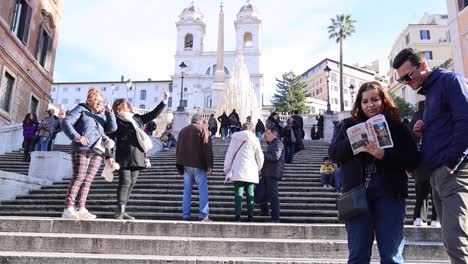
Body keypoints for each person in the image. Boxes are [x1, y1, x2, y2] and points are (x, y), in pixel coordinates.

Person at [328, 81, 419, 264]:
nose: (370, 105)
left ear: (383, 101)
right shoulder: (347, 125)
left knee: (391, 256)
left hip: (390, 191)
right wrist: (356, 140)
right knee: (358, 255)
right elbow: (334, 154)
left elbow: (413, 159)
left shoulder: (397, 126)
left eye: (375, 99)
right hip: (356, 192)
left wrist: (383, 155)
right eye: (365, 101)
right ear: (359, 104)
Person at [393, 48, 468, 263]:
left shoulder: (450, 80)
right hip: (437, 176)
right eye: (402, 80)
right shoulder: (430, 93)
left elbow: (466, 121)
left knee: (456, 241)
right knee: (450, 240)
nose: (407, 82)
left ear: (423, 65)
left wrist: (451, 164)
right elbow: (447, 126)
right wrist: (423, 128)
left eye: (408, 76)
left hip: (455, 172)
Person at [110, 91, 168, 220]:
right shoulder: (116, 119)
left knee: (132, 183)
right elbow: (110, 136)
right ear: (118, 107)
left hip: (138, 153)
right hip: (123, 153)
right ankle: (119, 210)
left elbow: (153, 114)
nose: (128, 105)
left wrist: (164, 100)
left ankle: (123, 209)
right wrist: (109, 155)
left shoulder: (136, 118)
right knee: (125, 181)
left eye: (128, 103)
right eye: (125, 103)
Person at [61, 88, 117, 219]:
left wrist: (110, 113)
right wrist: (76, 136)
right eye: (96, 100)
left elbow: (112, 129)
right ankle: (68, 207)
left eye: (101, 101)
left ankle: (81, 208)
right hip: (81, 148)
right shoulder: (81, 109)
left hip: (97, 151)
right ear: (89, 100)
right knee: (79, 177)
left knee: (87, 181)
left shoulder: (102, 115)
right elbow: (66, 122)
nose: (99, 103)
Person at [176, 114, 214, 221]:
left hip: (186, 165)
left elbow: (178, 149)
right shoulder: (203, 129)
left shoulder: (183, 131)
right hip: (199, 164)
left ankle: (185, 215)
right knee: (202, 189)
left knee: (187, 190)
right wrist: (210, 164)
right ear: (199, 121)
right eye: (202, 121)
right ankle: (203, 215)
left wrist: (179, 166)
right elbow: (207, 148)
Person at [224, 122, 264, 222]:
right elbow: (260, 157)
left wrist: (226, 169)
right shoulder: (255, 139)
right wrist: (259, 169)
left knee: (238, 193)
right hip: (251, 169)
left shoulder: (235, 138)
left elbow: (229, 154)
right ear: (252, 129)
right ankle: (250, 217)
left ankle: (238, 216)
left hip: (237, 169)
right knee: (250, 192)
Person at [408, 100, 438, 227]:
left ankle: (418, 218)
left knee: (420, 192)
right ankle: (435, 219)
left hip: (418, 163)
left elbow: (409, 141)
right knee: (434, 191)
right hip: (432, 159)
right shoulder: (431, 116)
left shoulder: (414, 118)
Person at [257, 128, 285, 223]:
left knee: (273, 196)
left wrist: (262, 153)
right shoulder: (272, 144)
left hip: (272, 173)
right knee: (260, 192)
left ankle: (275, 217)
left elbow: (275, 157)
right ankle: (265, 211)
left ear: (274, 134)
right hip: (266, 173)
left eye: (268, 133)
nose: (266, 135)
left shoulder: (278, 143)